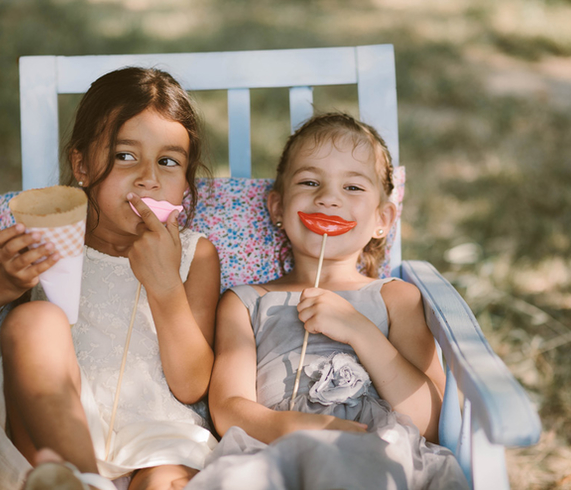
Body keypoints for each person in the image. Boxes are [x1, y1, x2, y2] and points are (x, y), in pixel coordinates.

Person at [0, 67, 220, 490]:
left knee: (169, 480)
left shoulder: (195, 254)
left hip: (160, 435)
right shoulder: (49, 234)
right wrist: (6, 278)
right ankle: (84, 480)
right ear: (81, 164)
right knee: (33, 320)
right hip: (53, 436)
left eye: (168, 162)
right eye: (124, 155)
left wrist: (165, 286)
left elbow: (191, 386)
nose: (148, 177)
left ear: (185, 184)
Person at [185, 113, 469, 489]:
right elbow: (227, 407)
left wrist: (360, 331)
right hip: (276, 450)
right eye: (309, 181)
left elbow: (430, 422)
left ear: (383, 218)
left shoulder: (396, 297)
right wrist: (297, 427)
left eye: (353, 187)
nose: (328, 198)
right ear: (276, 208)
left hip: (379, 452)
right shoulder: (245, 301)